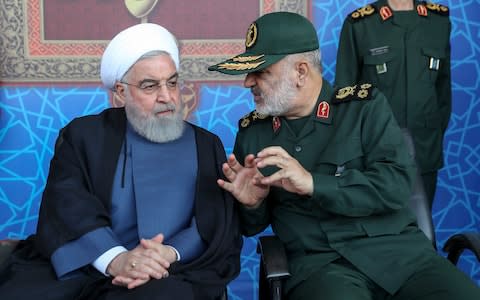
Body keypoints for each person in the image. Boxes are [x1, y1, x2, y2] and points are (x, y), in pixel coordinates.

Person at [208, 11, 479, 300]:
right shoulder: (253, 133)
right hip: (321, 267)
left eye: (261, 72)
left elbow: (396, 186)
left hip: (400, 256)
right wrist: (252, 204)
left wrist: (314, 183)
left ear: (300, 71)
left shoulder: (364, 108)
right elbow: (252, 226)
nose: (248, 82)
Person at [0, 23, 242, 300]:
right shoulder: (84, 135)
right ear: (120, 92)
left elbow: (213, 219)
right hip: (88, 265)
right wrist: (114, 259)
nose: (167, 96)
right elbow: (68, 203)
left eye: (172, 83)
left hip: (167, 272)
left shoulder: (205, 144)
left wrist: (168, 253)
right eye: (150, 86)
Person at [335, 0, 452, 212]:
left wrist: (431, 135)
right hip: (376, 153)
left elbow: (443, 94)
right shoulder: (360, 24)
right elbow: (345, 96)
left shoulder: (439, 22)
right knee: (382, 231)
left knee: (421, 229)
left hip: (425, 150)